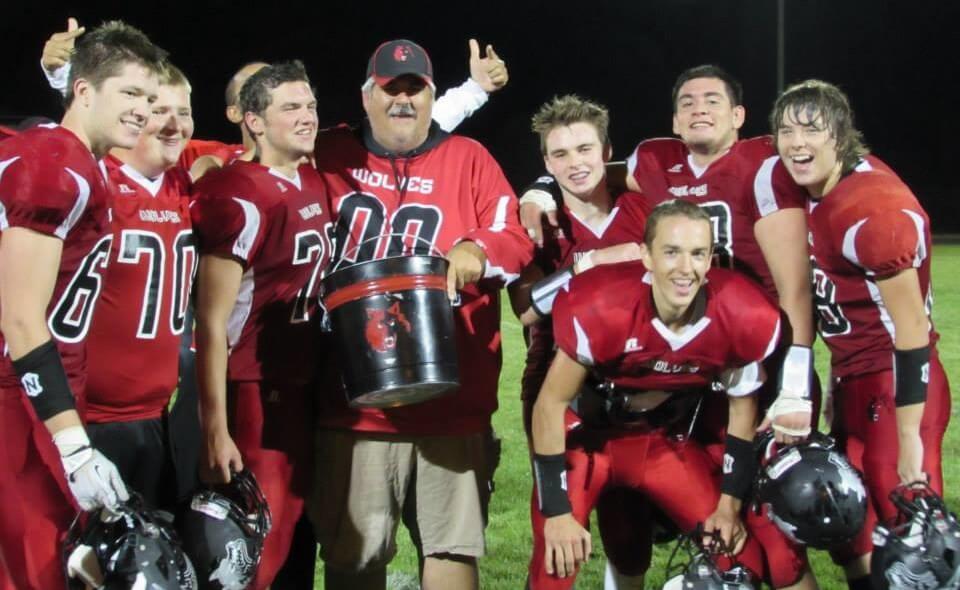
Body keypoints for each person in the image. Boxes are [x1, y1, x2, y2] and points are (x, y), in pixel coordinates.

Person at [519, 65, 817, 590]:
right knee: (574, 546)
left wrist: (795, 384)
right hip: (573, 404)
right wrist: (583, 260)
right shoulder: (537, 222)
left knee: (756, 532)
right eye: (559, 155)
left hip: (676, 388)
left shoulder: (650, 208)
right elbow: (527, 311)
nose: (576, 163)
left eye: (586, 150)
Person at [308, 39, 532, 590]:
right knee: (354, 558)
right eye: (391, 90)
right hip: (352, 407)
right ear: (367, 97)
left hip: (452, 403)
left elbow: (514, 238)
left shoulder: (469, 159)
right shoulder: (330, 153)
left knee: (452, 549)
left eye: (415, 89)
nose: (402, 101)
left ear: (433, 96)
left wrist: (475, 250)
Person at [529, 199, 780, 589]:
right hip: (588, 441)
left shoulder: (740, 312)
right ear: (646, 256)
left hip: (662, 444)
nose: (685, 268)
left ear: (711, 258)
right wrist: (558, 513)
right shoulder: (603, 304)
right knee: (555, 562)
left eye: (697, 253)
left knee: (738, 559)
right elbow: (550, 405)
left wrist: (728, 507)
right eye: (672, 252)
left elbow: (742, 411)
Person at [0, 21, 166, 589]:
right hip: (15, 398)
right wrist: (74, 448)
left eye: (149, 96)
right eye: (129, 93)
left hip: (44, 394)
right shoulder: (53, 165)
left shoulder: (84, 160)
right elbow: (20, 318)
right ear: (85, 91)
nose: (143, 110)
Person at [771, 79, 951, 590]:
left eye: (812, 130)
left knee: (912, 545)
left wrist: (910, 437)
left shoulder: (872, 209)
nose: (797, 143)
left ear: (842, 135)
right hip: (857, 380)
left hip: (895, 386)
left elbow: (912, 330)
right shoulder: (820, 187)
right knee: (857, 534)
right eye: (786, 130)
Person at [191, 60, 332, 590]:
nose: (307, 117)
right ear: (252, 120)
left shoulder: (312, 178)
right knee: (256, 546)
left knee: (295, 531)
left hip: (305, 380)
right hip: (254, 385)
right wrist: (214, 428)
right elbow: (210, 321)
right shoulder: (238, 193)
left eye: (311, 105)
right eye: (290, 107)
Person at [82, 63, 198, 511]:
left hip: (156, 418)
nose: (174, 123)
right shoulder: (93, 179)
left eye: (183, 111)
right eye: (159, 110)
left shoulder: (187, 187)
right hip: (87, 418)